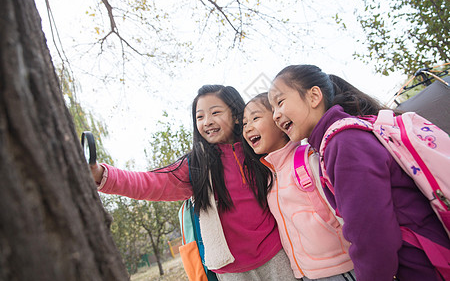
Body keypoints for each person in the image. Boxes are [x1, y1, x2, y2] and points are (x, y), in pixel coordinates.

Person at [90, 84, 297, 281]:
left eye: (215, 113)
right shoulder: (196, 165)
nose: (207, 121)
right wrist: (102, 174)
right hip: (231, 269)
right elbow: (151, 182)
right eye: (200, 116)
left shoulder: (258, 149)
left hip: (275, 254)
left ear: (235, 116)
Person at [268, 64, 450, 281]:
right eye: (272, 109)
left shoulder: (344, 142)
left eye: (280, 102)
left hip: (425, 266)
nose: (275, 116)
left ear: (314, 96)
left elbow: (372, 238)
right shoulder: (341, 137)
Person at [242, 92, 355, 280]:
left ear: (279, 119)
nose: (247, 128)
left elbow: (346, 213)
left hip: (341, 268)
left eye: (255, 118)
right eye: (245, 123)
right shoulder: (270, 176)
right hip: (306, 274)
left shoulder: (307, 158)